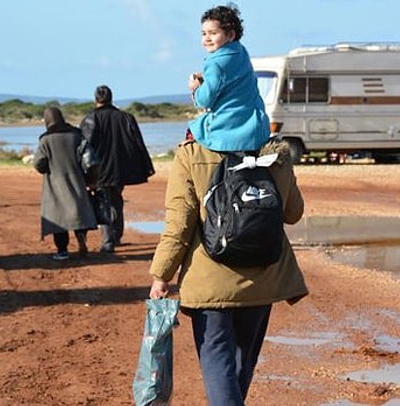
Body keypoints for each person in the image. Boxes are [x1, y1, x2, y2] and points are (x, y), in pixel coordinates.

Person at [147, 5, 308, 405]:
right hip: (263, 277)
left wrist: (161, 275)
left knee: (218, 367)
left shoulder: (191, 153)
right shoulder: (272, 152)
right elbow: (292, 212)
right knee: (239, 368)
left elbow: (180, 224)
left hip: (210, 281)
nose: (206, 38)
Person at [79, 85, 155, 253]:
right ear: (111, 98)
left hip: (100, 170)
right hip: (121, 169)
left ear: (96, 100)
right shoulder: (125, 117)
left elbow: (84, 147)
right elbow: (138, 144)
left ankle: (108, 241)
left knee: (105, 202)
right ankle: (116, 235)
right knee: (115, 198)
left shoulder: (90, 119)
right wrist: (144, 166)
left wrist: (84, 172)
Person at [186, 3, 270, 152]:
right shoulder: (241, 52)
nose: (207, 38)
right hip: (256, 127)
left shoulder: (216, 64)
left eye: (213, 33)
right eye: (204, 33)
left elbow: (204, 100)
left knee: (191, 136)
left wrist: (196, 89)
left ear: (230, 35)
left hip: (227, 130)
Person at [33, 107, 98, 261]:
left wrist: (49, 168)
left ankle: (62, 251)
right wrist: (91, 181)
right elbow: (90, 161)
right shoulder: (76, 135)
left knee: (58, 218)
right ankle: (82, 241)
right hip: (77, 182)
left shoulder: (45, 140)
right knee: (78, 214)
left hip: (55, 185)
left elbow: (38, 164)